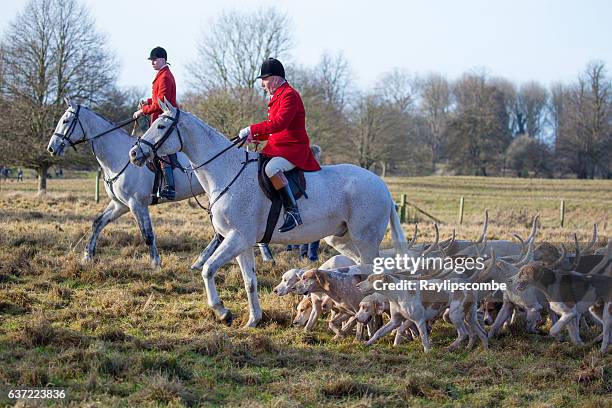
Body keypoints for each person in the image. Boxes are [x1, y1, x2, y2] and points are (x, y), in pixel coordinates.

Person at [238, 58, 320, 233]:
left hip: (293, 149)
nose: (262, 85)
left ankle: (293, 212)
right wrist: (254, 136)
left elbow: (279, 124)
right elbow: (272, 130)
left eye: (264, 80)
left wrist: (251, 128)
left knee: (271, 169)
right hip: (278, 147)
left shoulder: (289, 95)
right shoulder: (278, 96)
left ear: (275, 78)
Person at [133, 46, 178, 200]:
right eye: (151, 60)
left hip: (164, 119)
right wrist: (148, 101)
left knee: (161, 149)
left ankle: (170, 187)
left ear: (163, 60)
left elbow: (160, 104)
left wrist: (142, 110)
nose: (152, 62)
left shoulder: (164, 76)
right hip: (161, 118)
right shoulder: (162, 74)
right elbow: (159, 98)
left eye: (155, 59)